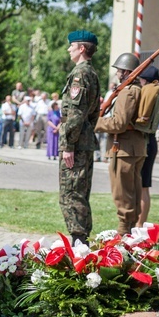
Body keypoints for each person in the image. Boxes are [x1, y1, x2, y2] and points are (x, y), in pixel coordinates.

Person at [95, 52, 146, 236]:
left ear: (125, 72)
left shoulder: (128, 92)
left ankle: (125, 230)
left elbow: (119, 123)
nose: (117, 73)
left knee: (122, 192)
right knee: (131, 190)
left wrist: (94, 122)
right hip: (132, 147)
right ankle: (130, 228)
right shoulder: (135, 89)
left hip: (124, 148)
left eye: (118, 70)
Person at [59, 30, 101, 245]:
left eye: (72, 45)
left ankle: (79, 243)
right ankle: (80, 241)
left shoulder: (81, 74)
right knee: (79, 192)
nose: (69, 49)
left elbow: (76, 113)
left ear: (82, 48)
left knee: (72, 193)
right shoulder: (90, 73)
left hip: (76, 144)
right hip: (83, 140)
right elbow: (93, 114)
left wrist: (68, 144)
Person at [136, 66, 159, 226]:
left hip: (146, 140)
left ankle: (140, 224)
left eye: (142, 81)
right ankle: (139, 223)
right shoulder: (158, 93)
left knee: (142, 186)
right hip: (150, 140)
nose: (141, 84)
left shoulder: (151, 93)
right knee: (143, 186)